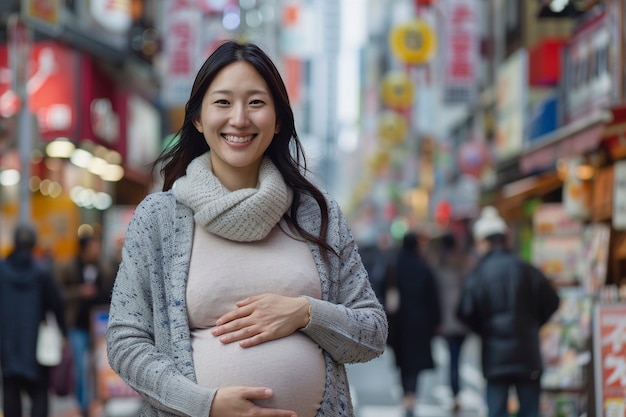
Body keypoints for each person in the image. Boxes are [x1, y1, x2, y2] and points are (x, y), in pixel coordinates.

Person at [105, 39, 388, 417]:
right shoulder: (159, 217)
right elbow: (126, 341)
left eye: (256, 102)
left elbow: (372, 332)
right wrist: (205, 405)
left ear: (278, 120)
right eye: (223, 102)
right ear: (198, 118)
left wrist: (306, 313)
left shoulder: (316, 213)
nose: (239, 119)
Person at [456, 206, 560, 417]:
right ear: (506, 240)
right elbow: (553, 300)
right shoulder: (527, 269)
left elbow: (464, 311)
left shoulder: (479, 274)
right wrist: (534, 323)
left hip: (495, 356)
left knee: (497, 410)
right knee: (530, 410)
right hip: (527, 351)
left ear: (483, 242)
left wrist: (484, 329)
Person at [0, 224, 67, 417]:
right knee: (39, 396)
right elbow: (58, 303)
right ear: (34, 244)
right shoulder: (41, 272)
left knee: (10, 393)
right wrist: (63, 332)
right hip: (36, 346)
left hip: (7, 345)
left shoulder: (2, 271)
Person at [57, 231, 114, 416]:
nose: (96, 251)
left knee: (100, 367)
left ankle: (98, 402)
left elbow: (112, 294)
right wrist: (79, 292)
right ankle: (82, 405)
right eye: (93, 247)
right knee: (80, 369)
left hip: (100, 328)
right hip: (77, 326)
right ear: (83, 249)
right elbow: (59, 294)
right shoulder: (68, 268)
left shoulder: (105, 269)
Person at [385, 231, 441, 417]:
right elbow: (433, 297)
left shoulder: (394, 266)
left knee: (402, 362)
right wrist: (435, 322)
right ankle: (411, 395)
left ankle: (405, 397)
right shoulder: (423, 267)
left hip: (399, 321)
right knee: (415, 363)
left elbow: (385, 291)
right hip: (420, 322)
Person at [433, 233, 471, 413]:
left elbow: (434, 297)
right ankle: (457, 393)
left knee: (452, 358)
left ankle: (454, 393)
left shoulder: (438, 268)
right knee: (458, 358)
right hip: (462, 321)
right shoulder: (463, 267)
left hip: (446, 322)